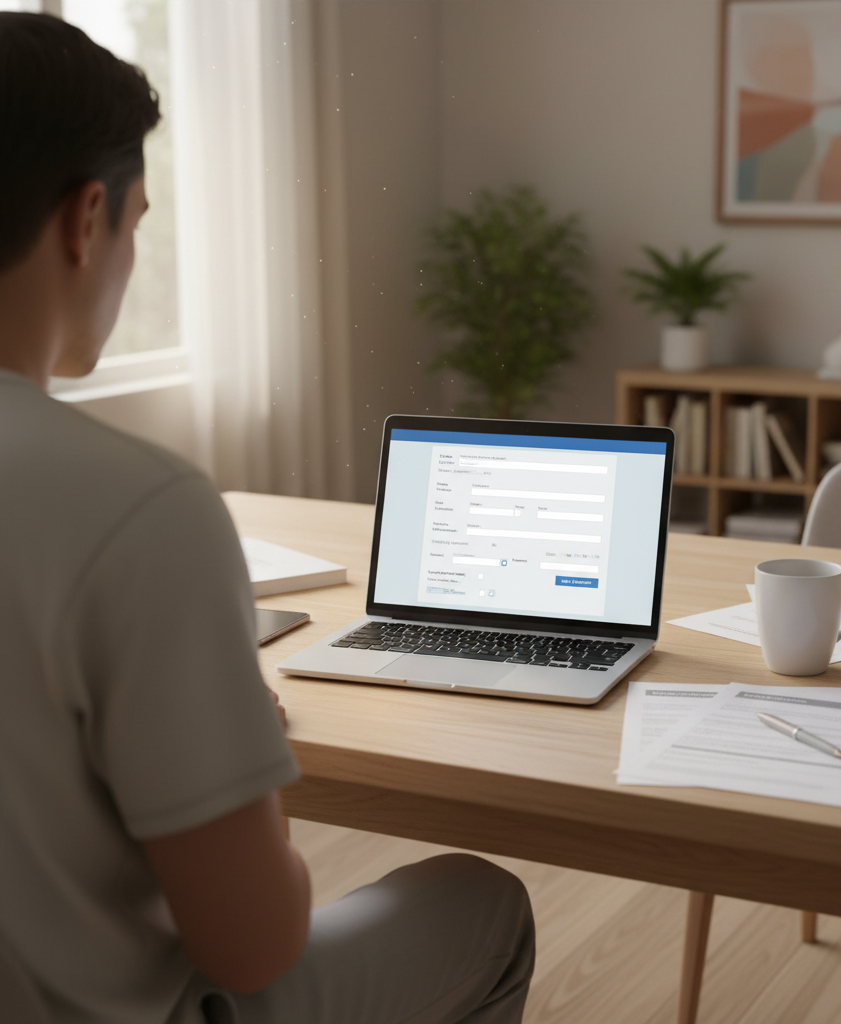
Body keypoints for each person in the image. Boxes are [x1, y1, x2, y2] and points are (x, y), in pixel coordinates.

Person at [0, 13, 534, 1024]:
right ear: (85, 222)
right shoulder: (140, 507)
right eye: (138, 220)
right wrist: (230, 742)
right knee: (485, 903)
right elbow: (252, 945)